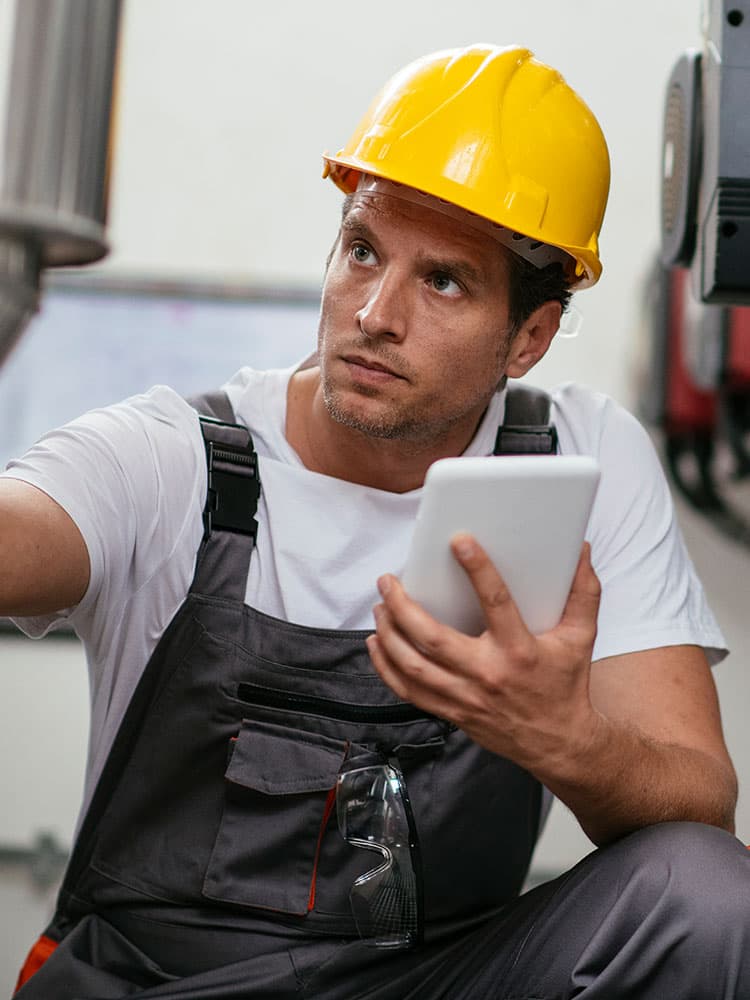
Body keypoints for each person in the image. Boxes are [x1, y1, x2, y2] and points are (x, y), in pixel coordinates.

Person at [3, 42, 749, 1000]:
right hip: (161, 983)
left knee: (710, 894)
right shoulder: (172, 456)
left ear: (530, 335)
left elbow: (702, 800)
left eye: (442, 280)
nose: (374, 313)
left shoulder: (581, 461)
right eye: (362, 250)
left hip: (435, 981)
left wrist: (565, 738)